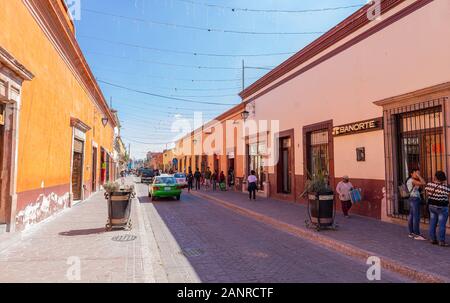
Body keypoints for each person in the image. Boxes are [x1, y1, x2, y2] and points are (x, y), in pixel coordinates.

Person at [425, 171, 450, 247]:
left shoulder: (429, 185)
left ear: (435, 177)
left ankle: (432, 239)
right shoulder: (446, 188)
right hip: (442, 207)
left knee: (432, 223)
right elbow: (448, 196)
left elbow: (427, 194)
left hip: (432, 206)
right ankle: (441, 241)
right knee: (442, 225)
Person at [406, 168, 426, 240]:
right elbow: (423, 183)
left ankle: (411, 233)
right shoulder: (412, 180)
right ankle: (417, 234)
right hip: (414, 199)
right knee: (416, 217)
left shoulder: (411, 180)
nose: (418, 175)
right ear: (411, 173)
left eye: (419, 173)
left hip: (412, 198)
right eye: (416, 173)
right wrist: (419, 176)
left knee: (411, 216)